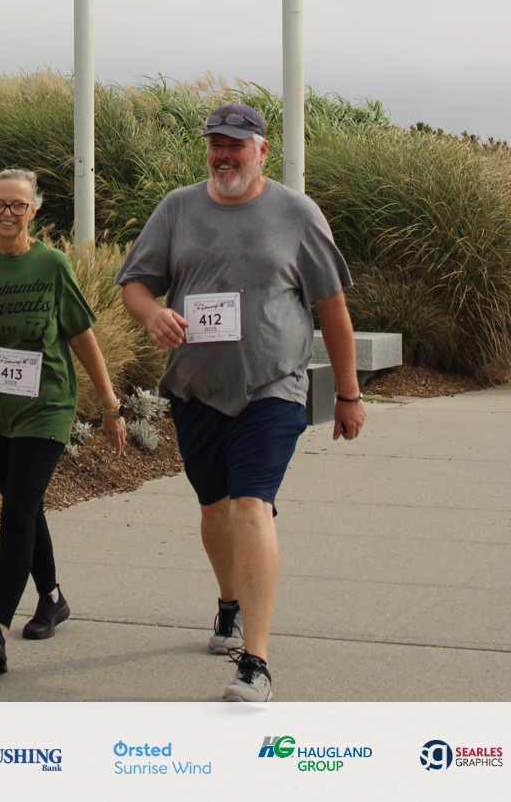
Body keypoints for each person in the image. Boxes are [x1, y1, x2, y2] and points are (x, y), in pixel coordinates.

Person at [116, 103, 365, 703]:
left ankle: (256, 661)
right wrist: (152, 314)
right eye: (216, 145)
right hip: (197, 387)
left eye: (236, 144)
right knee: (214, 510)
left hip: (272, 387)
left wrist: (349, 394)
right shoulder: (177, 208)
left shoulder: (296, 214)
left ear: (262, 150)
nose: (224, 155)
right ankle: (228, 602)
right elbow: (136, 284)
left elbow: (332, 307)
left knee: (252, 507)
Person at [0, 166, 127, 675]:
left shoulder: (52, 265)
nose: (7, 212)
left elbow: (81, 336)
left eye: (17, 204)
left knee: (16, 509)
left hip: (46, 405)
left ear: (34, 210)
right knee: (25, 507)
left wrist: (109, 405)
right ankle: (52, 597)